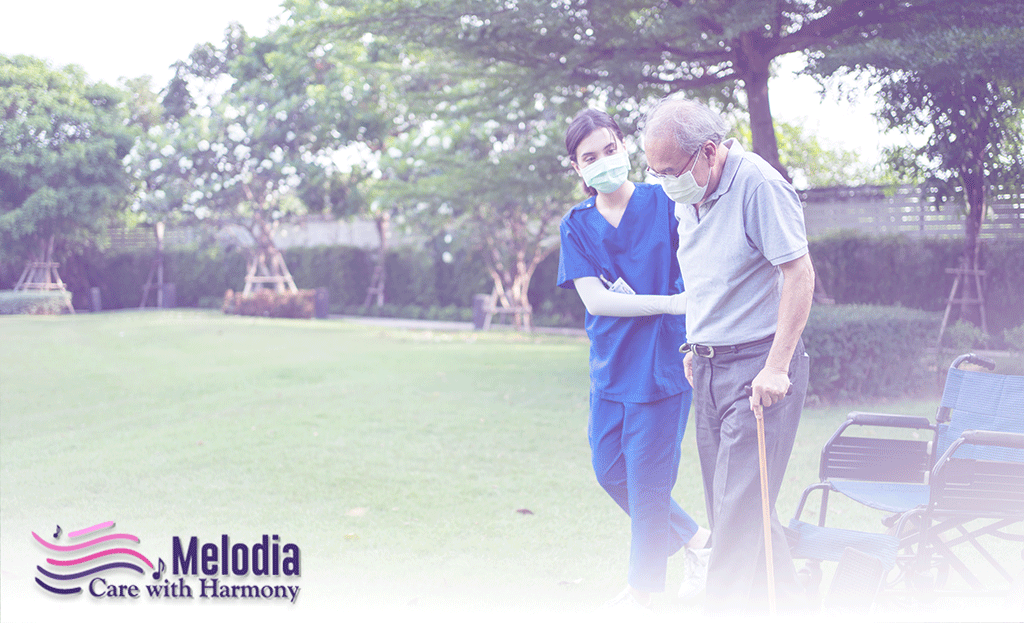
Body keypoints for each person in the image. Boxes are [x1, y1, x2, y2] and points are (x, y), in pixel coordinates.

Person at [641, 97, 815, 614]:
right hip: (710, 366)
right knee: (738, 507)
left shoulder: (758, 185)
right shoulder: (687, 190)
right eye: (655, 172)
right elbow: (709, 275)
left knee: (737, 513)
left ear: (708, 153)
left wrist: (777, 367)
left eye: (670, 171)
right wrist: (697, 343)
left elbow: (799, 275)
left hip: (758, 370)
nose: (665, 182)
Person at [557, 108, 711, 610]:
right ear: (577, 170)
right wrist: (668, 302)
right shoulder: (576, 225)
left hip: (662, 366)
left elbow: (698, 265)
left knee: (647, 484)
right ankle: (698, 541)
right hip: (609, 369)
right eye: (589, 157)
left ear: (623, 147)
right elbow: (597, 301)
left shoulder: (663, 203)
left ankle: (643, 595)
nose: (603, 161)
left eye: (609, 149)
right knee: (610, 473)